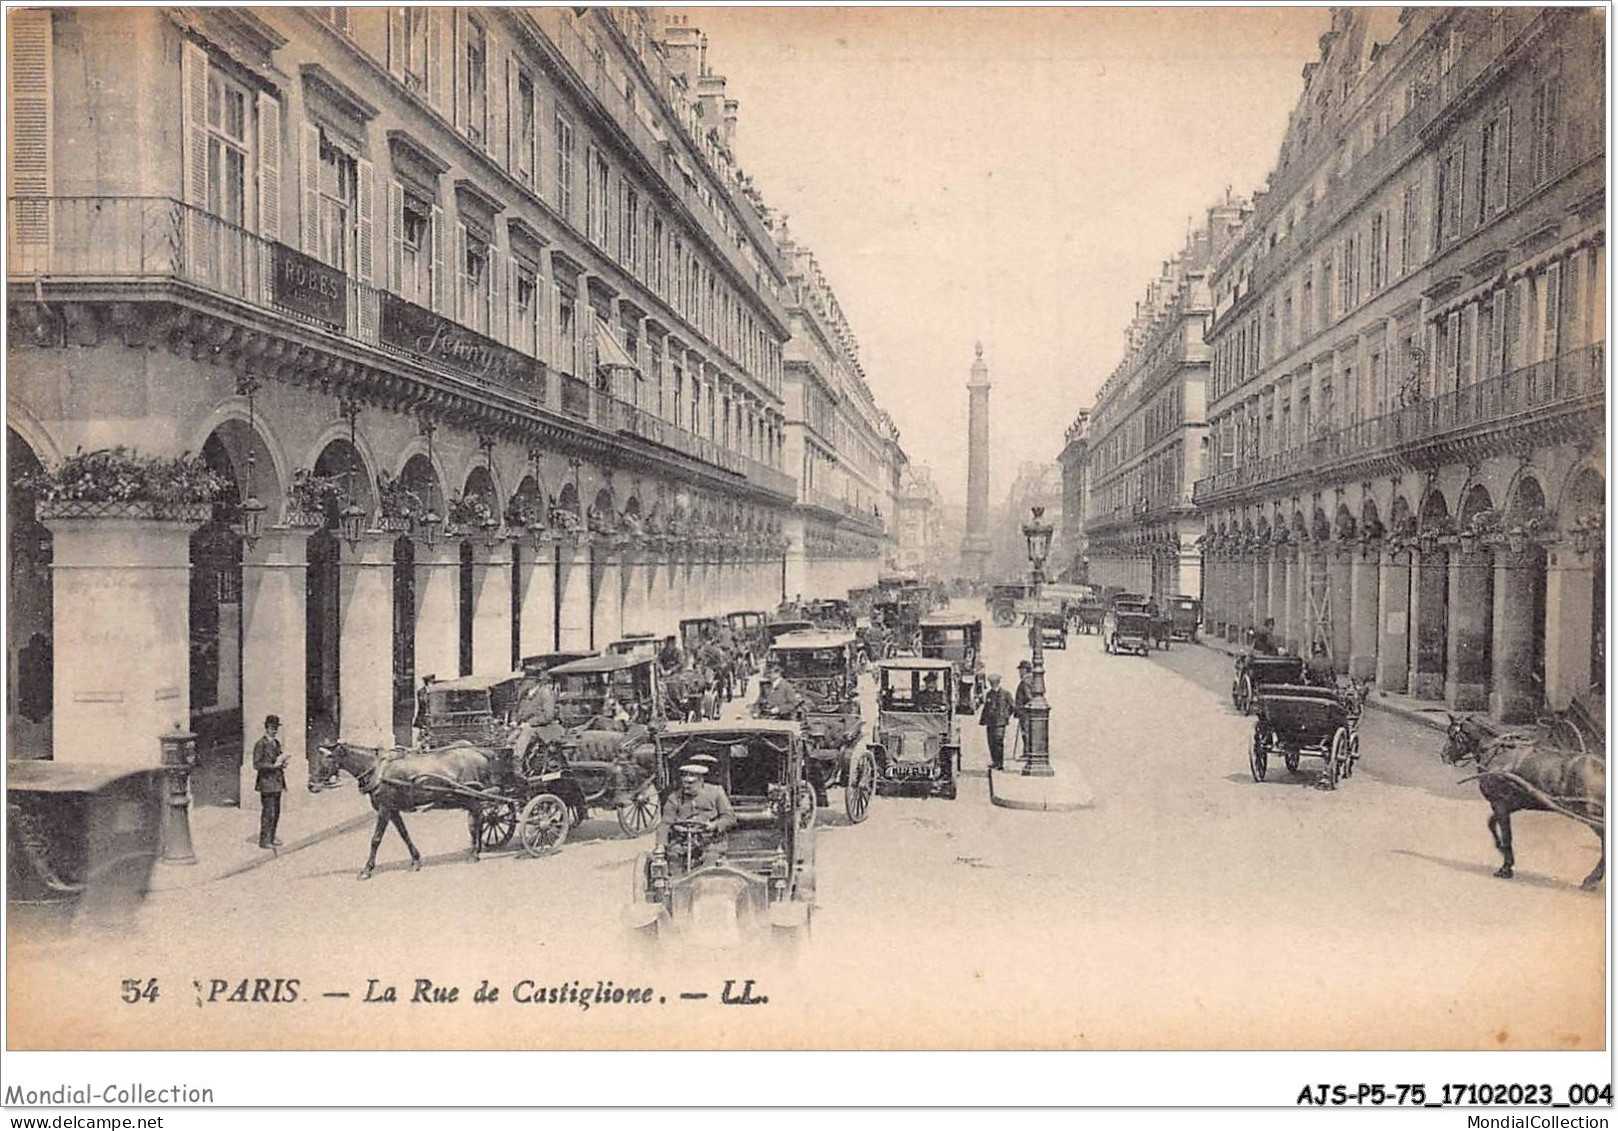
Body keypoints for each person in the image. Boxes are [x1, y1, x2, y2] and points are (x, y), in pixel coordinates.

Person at [655, 760, 737, 855]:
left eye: (690, 783)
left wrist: (714, 825)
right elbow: (665, 823)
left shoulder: (716, 792)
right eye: (684, 782)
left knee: (711, 864)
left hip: (711, 843)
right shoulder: (674, 797)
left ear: (700, 780)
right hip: (682, 844)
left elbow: (729, 817)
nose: (686, 786)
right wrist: (660, 845)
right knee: (671, 860)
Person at [253, 714, 290, 849]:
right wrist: (273, 766)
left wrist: (283, 762)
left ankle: (272, 837)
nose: (274, 731)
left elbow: (278, 757)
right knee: (268, 812)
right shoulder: (260, 744)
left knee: (276, 812)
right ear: (267, 728)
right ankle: (264, 840)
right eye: (272, 728)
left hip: (277, 782)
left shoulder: (276, 743)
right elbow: (256, 764)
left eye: (276, 728)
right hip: (267, 783)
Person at [979, 674, 1015, 771]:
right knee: (991, 742)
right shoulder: (989, 694)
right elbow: (986, 708)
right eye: (991, 683)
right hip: (990, 722)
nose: (992, 685)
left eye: (994, 683)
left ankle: (1000, 763)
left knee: (998, 742)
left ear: (998, 683)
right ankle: (994, 761)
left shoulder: (1006, 693)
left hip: (1000, 722)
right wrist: (983, 720)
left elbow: (1012, 706)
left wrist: (1006, 716)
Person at [1014, 661, 1035, 750]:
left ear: (1025, 670)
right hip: (1025, 711)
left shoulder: (1025, 682)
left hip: (1025, 711)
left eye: (1021, 670)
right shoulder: (1031, 679)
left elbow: (1028, 696)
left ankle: (1027, 751)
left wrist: (1024, 707)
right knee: (1027, 731)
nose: (1019, 672)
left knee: (1026, 731)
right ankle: (1027, 750)